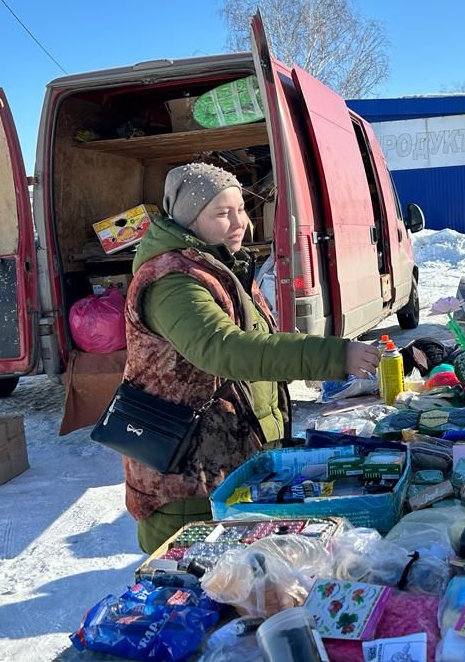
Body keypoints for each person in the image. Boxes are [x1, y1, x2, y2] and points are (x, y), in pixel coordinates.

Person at [123, 162, 381, 553]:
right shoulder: (172, 282)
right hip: (188, 480)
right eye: (222, 213)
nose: (239, 222)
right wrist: (332, 355)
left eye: (241, 208)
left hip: (226, 465)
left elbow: (263, 340)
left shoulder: (218, 265)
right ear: (190, 219)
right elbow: (226, 349)